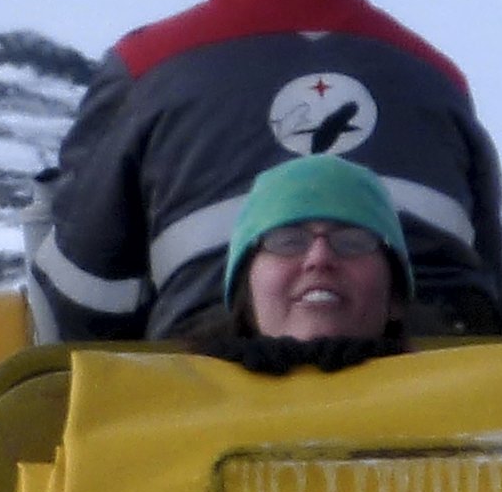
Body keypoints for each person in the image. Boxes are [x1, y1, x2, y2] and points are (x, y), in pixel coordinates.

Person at [27, 0, 502, 343]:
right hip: (441, 361)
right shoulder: (434, 73)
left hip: (219, 367)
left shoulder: (146, 65)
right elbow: (488, 269)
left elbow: (82, 291)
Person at [172, 156, 413, 371]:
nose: (319, 258)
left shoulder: (446, 404)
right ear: (245, 293)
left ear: (395, 296)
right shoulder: (179, 404)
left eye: (352, 243)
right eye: (288, 242)